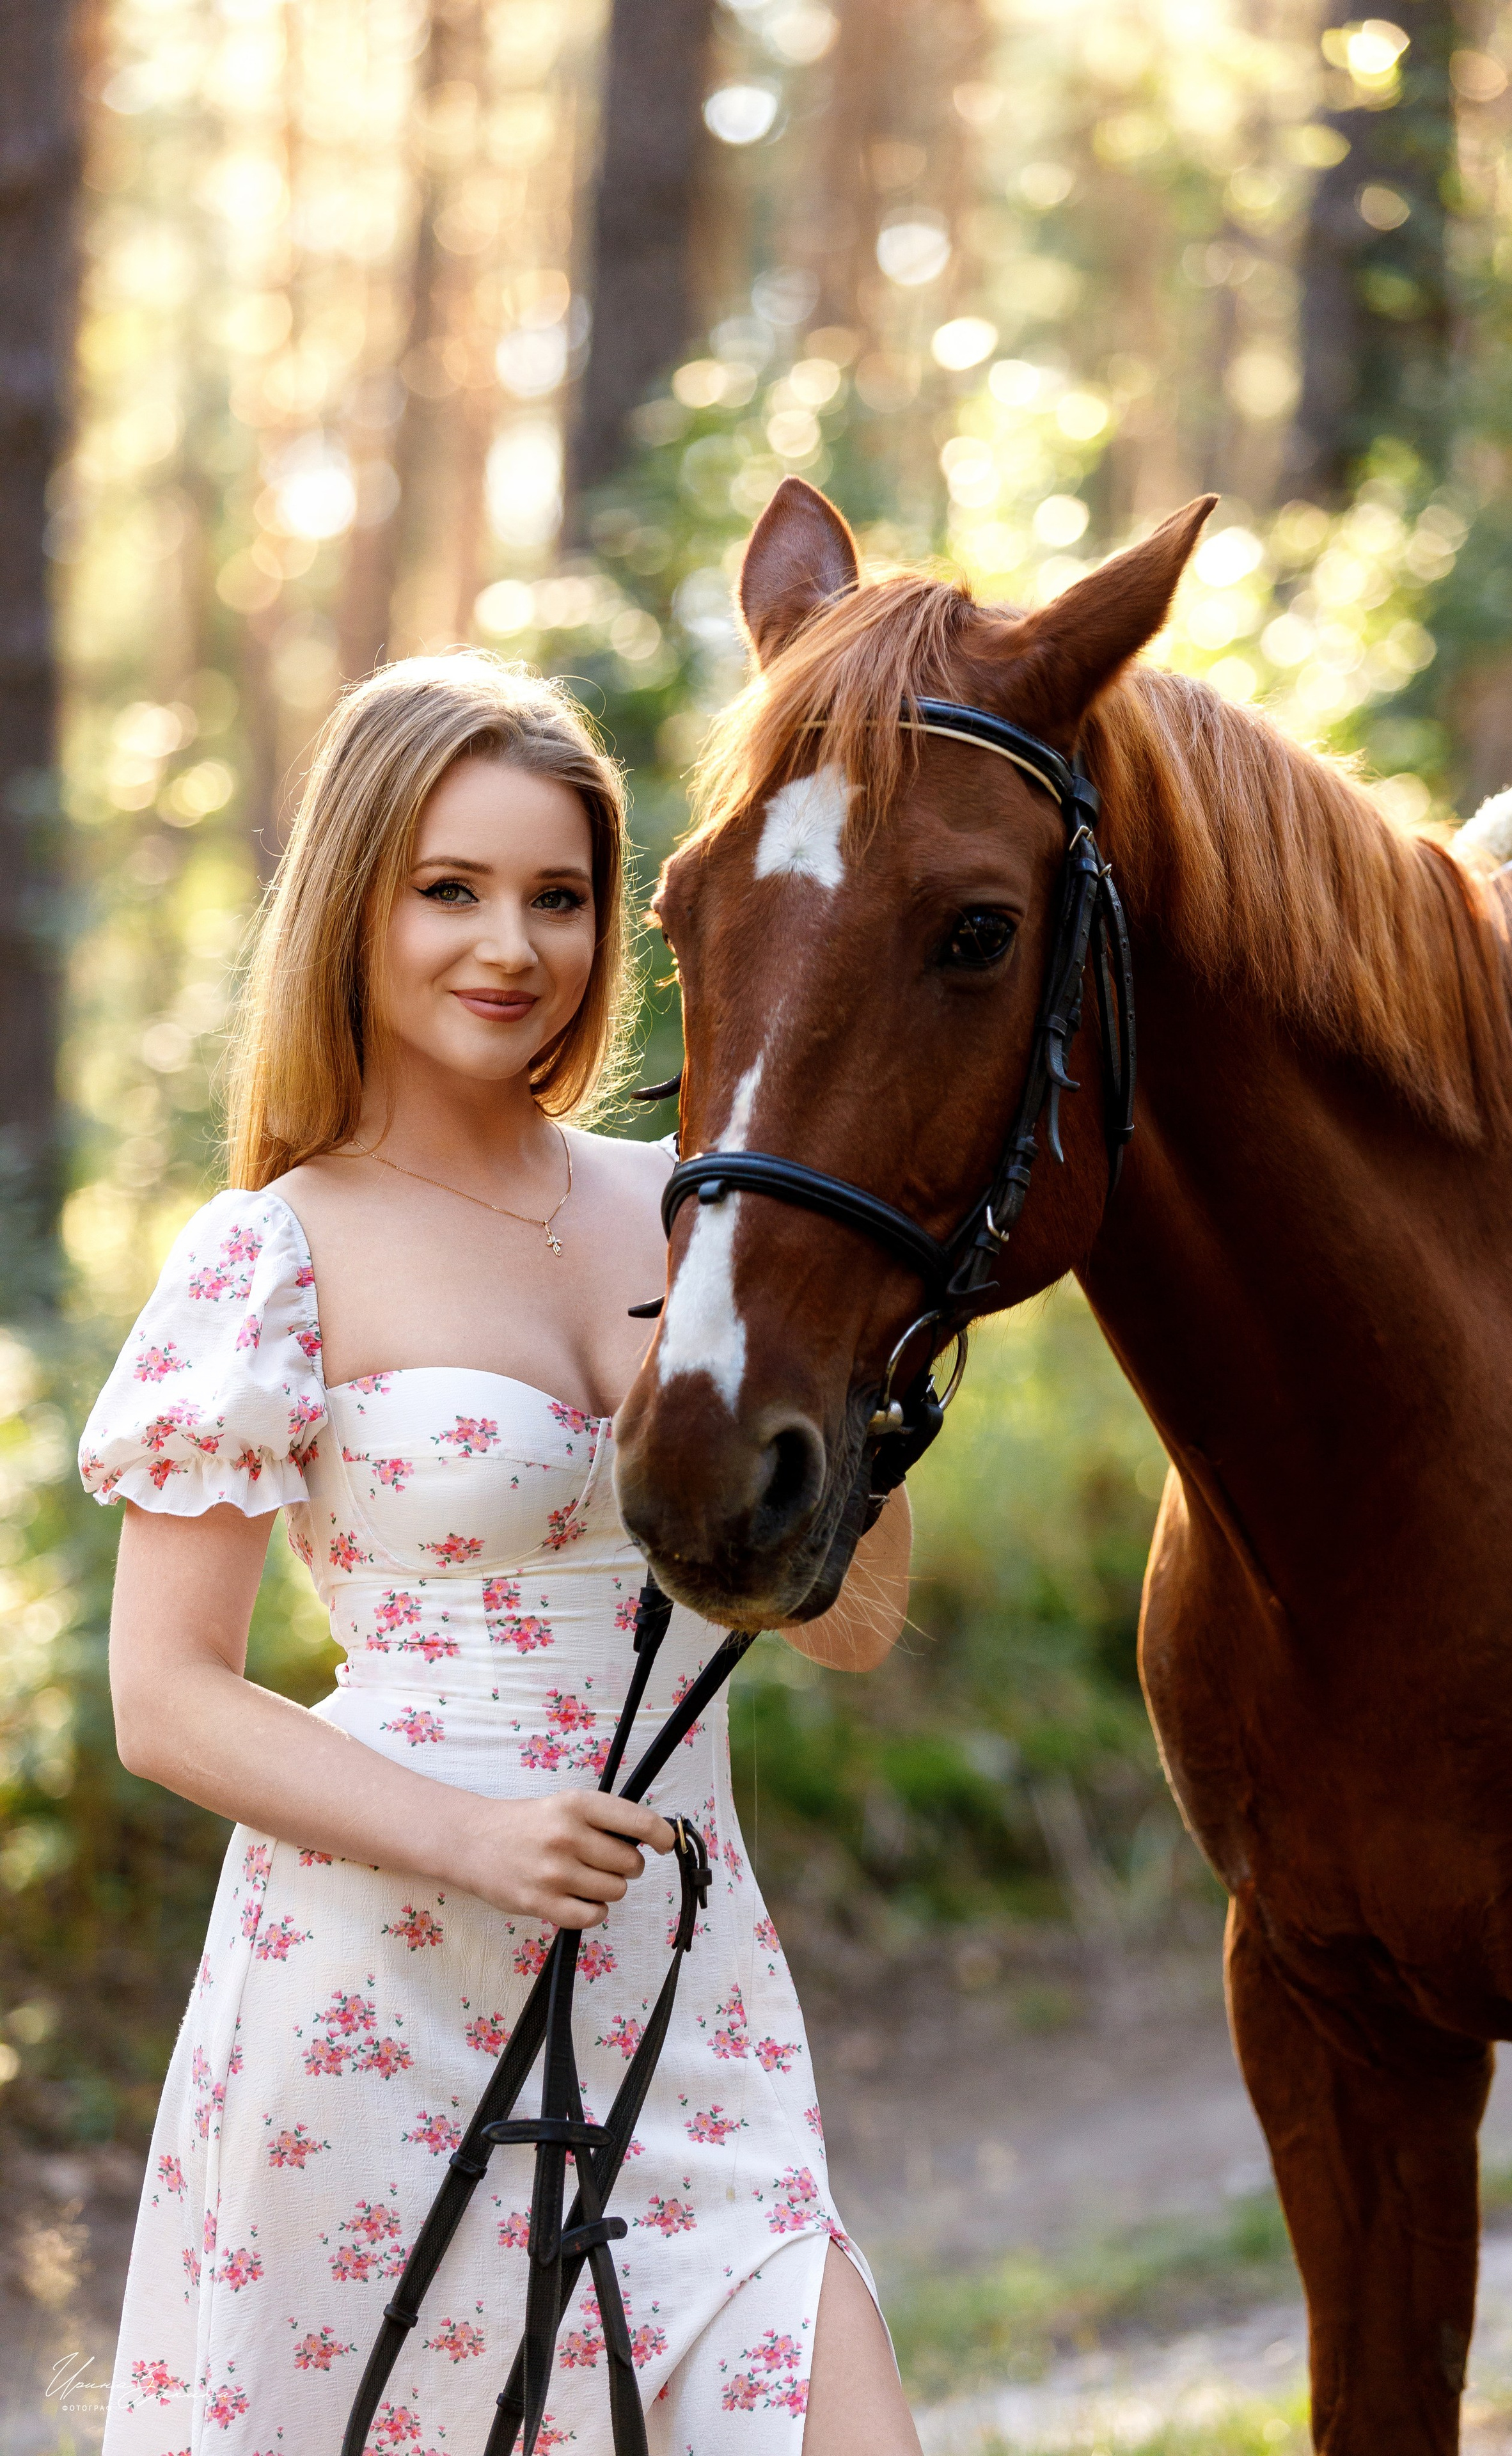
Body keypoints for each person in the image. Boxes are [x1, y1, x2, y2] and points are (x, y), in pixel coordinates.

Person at [80, 654, 922, 2454]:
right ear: (354, 904)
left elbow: (847, 1628)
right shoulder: (272, 1253)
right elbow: (164, 1700)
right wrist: (475, 1837)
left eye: (556, 897)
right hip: (376, 2000)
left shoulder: (696, 1197)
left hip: (679, 1979)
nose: (510, 946)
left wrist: (849, 1357)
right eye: (449, 889)